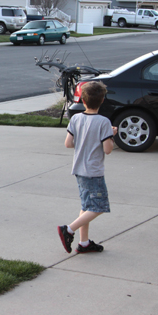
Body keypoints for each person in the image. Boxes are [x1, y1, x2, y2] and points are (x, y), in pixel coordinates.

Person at [58, 81, 117, 254]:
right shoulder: (103, 122)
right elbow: (108, 149)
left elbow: (68, 144)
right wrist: (111, 135)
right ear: (102, 100)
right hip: (93, 172)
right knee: (98, 207)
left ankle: (84, 243)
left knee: (86, 206)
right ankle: (68, 229)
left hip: (79, 170)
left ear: (83, 100)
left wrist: (85, 140)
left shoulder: (76, 118)